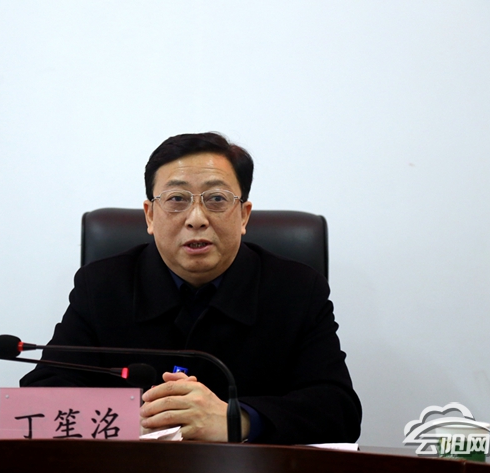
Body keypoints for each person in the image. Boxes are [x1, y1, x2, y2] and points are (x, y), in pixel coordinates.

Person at [20, 132, 361, 445]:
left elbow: (338, 410)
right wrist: (132, 420)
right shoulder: (102, 285)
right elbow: (38, 403)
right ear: (150, 215)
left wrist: (236, 420)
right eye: (177, 199)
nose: (196, 218)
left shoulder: (297, 289)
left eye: (216, 198)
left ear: (243, 215)